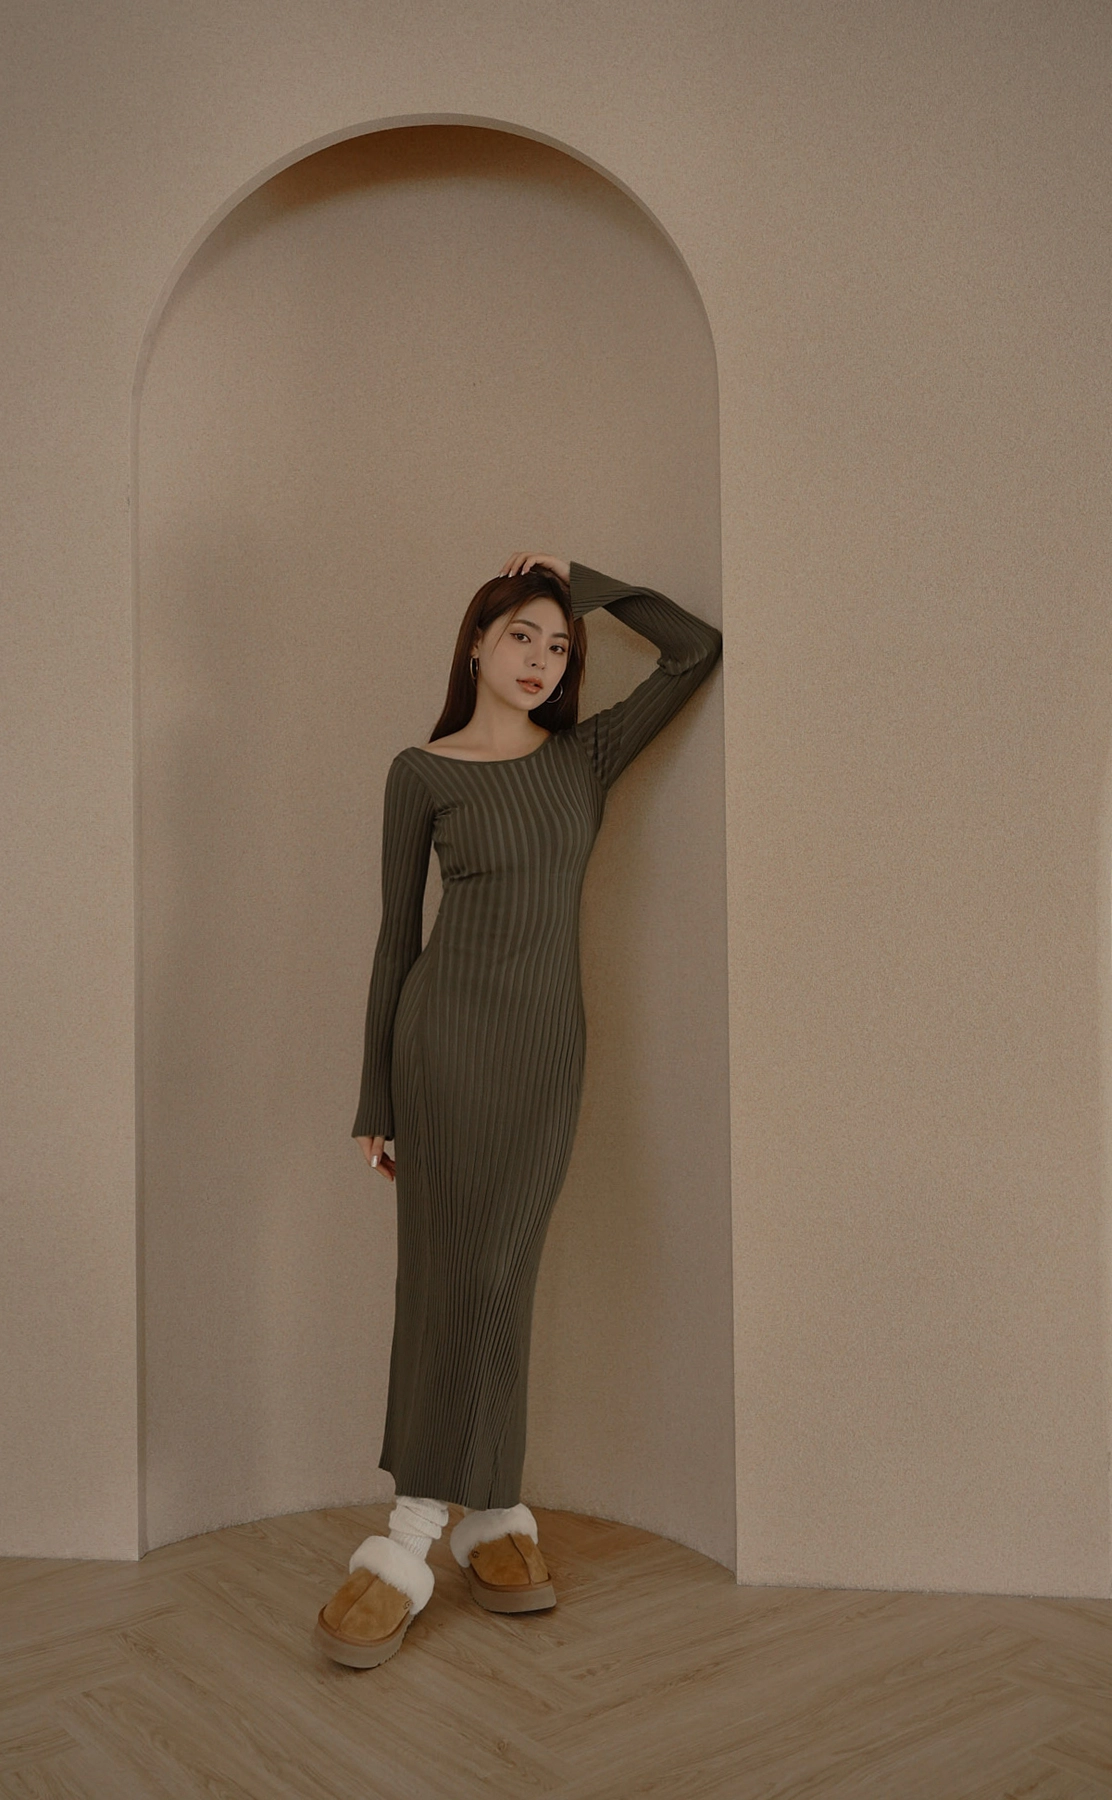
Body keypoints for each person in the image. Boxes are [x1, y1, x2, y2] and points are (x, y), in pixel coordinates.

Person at [316, 552, 722, 1667]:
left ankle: (483, 1513)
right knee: (446, 1276)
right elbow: (396, 940)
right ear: (477, 647)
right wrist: (375, 1093)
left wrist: (581, 580)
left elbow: (695, 649)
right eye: (521, 636)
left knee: (500, 1276)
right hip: (441, 1049)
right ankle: (425, 1531)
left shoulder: (583, 757)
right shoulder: (420, 772)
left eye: (558, 642)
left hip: (545, 1056)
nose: (542, 658)